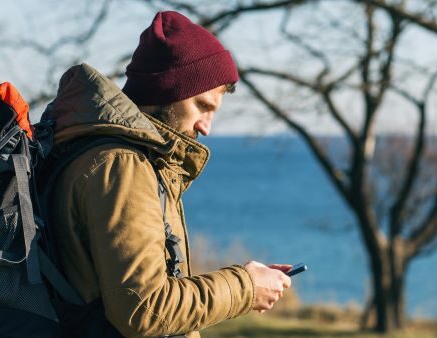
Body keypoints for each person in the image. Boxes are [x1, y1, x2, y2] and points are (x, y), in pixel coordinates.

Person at [43, 11, 292, 338]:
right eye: (203, 106)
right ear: (168, 91)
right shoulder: (122, 165)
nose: (206, 126)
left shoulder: (111, 154)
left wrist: (249, 281)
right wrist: (245, 287)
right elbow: (144, 308)